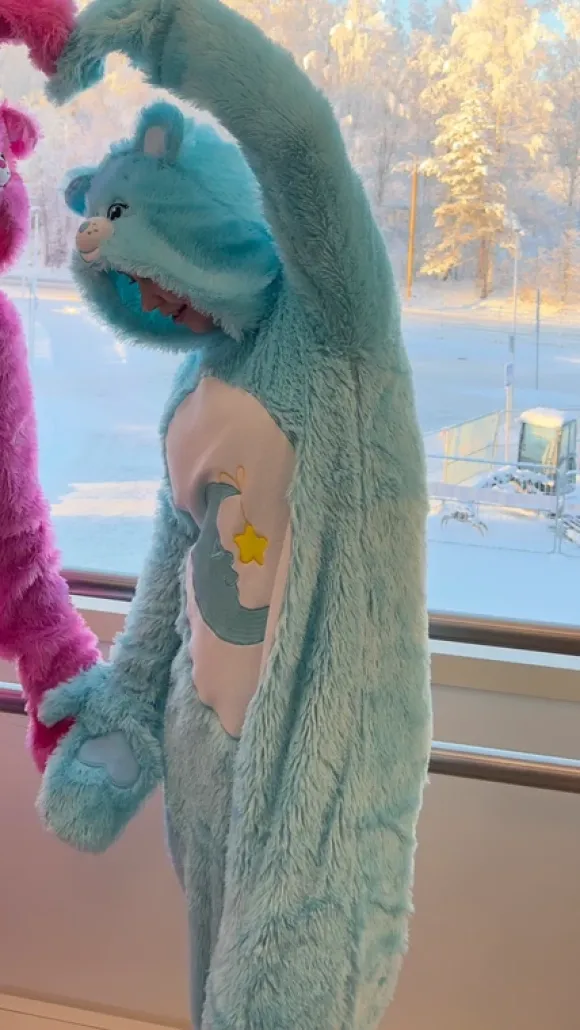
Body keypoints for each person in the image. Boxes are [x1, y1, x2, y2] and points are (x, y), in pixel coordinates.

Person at [37, 2, 432, 1028]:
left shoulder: (336, 330)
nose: (160, 302)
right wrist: (129, 708)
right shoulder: (198, 385)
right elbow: (173, 569)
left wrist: (160, 30)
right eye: (131, 286)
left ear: (206, 220)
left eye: (159, 263)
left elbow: (297, 140)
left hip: (318, 776)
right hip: (207, 753)